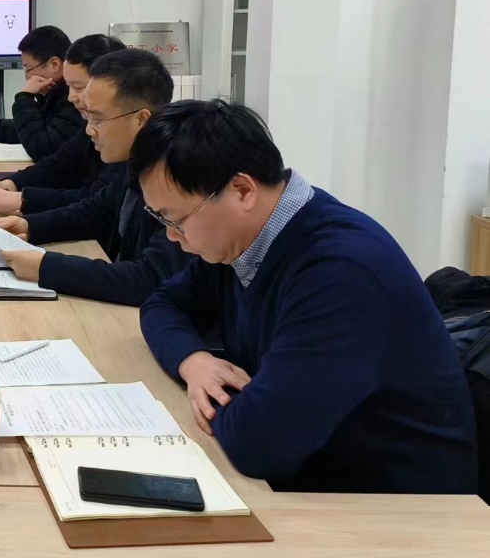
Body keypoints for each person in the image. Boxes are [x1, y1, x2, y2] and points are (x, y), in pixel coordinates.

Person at [136, 100, 477, 495]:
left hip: (397, 508)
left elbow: (260, 441)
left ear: (242, 191)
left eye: (176, 219)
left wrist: (220, 399)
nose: (171, 236)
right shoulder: (241, 240)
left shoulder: (340, 272)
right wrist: (194, 362)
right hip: (310, 474)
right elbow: (161, 304)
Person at [0, 48, 193, 306]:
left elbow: (148, 280)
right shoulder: (134, 159)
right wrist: (30, 227)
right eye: (87, 116)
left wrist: (45, 267)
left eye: (97, 119)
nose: (89, 130)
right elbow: (97, 212)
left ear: (141, 119)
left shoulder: (179, 175)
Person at [0, 34, 127, 216]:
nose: (71, 97)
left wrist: (21, 200)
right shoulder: (86, 116)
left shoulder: (127, 142)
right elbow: (61, 161)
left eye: (78, 87)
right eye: (69, 86)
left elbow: (96, 204)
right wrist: (10, 184)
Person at [0, 25, 78, 161]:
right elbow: (32, 129)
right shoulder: (54, 92)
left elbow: (41, 149)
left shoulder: (75, 99)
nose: (27, 77)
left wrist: (25, 98)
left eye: (29, 69)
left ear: (54, 64)